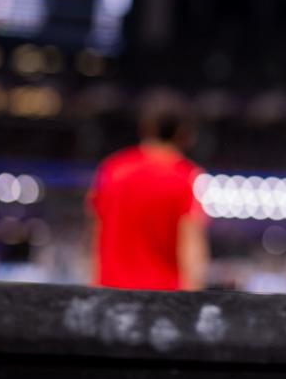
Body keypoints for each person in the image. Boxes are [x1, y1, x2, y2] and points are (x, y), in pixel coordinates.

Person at [86, 89, 209, 290]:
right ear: (183, 132)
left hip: (110, 296)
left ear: (145, 127)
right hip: (162, 302)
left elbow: (96, 238)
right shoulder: (187, 177)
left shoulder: (111, 170)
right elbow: (191, 252)